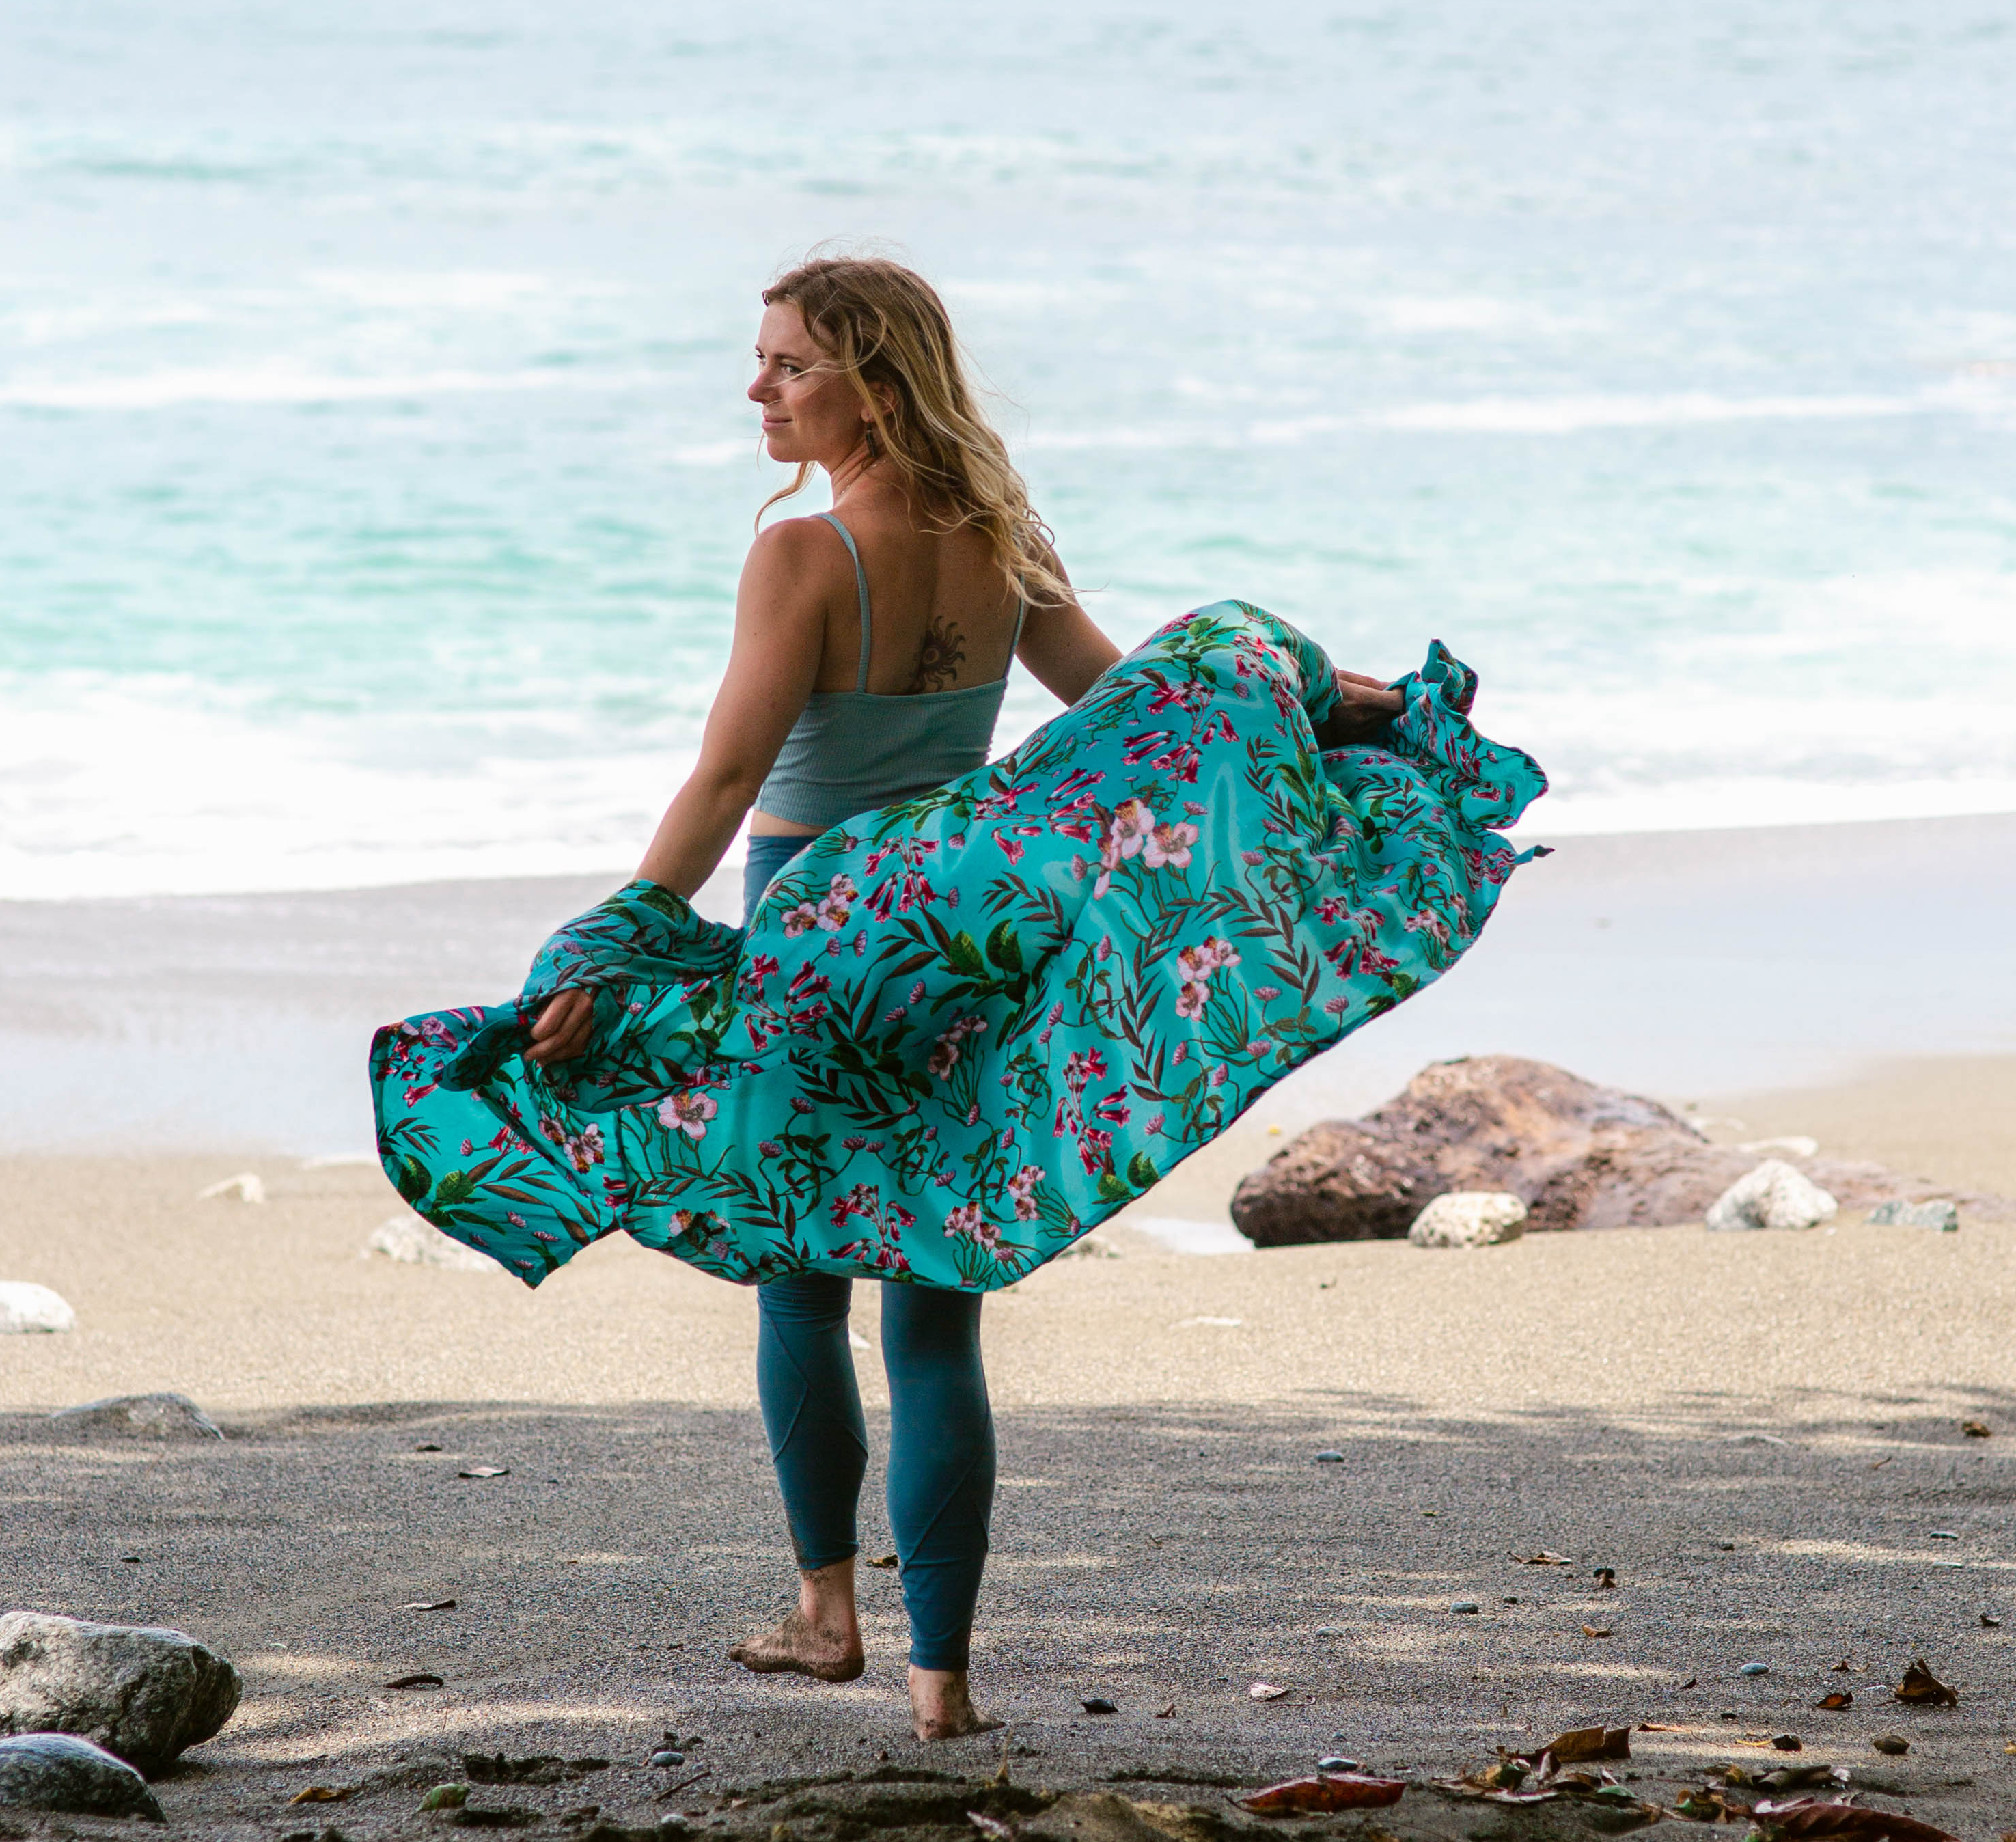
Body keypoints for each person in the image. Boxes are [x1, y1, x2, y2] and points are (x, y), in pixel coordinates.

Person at [520, 254, 1403, 1742]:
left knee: (799, 1286)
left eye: (787, 363)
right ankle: (945, 1686)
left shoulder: (802, 558)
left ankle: (823, 1618)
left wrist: (619, 937)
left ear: (871, 376)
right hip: (958, 954)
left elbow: (730, 780)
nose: (756, 387)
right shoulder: (1001, 539)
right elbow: (1132, 711)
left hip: (815, 939)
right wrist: (1305, 698)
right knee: (934, 1317)